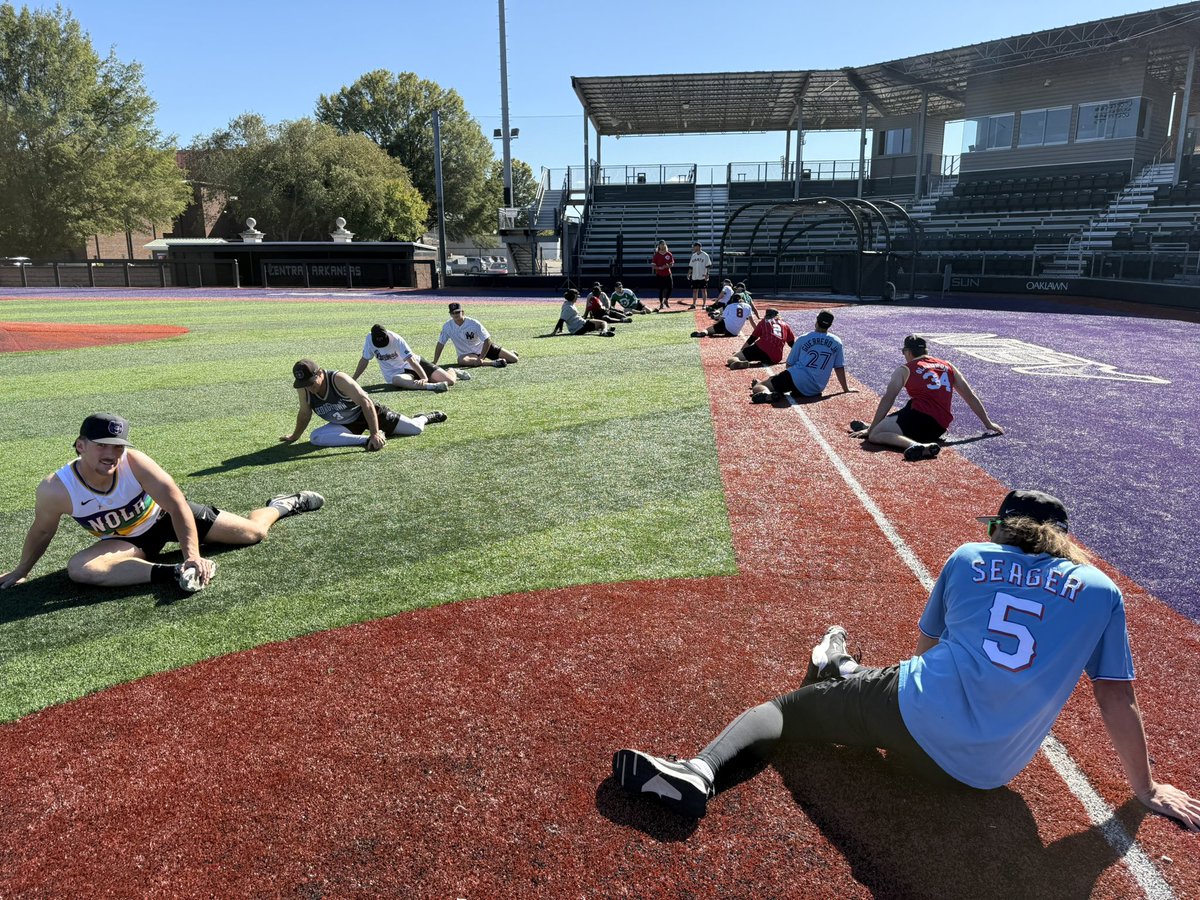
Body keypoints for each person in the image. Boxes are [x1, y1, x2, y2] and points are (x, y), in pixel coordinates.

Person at [612, 489, 1200, 831]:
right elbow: (1116, 696)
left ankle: (701, 769)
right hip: (987, 776)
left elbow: (921, 657)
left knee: (786, 710)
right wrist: (1145, 790)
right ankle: (836, 667)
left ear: (1003, 527)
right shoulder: (1101, 592)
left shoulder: (970, 556)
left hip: (911, 717)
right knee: (872, 687)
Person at [0, 413, 324, 595]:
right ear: (80, 446)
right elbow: (42, 532)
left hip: (163, 517)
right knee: (80, 569)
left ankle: (281, 505)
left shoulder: (136, 463)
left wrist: (193, 554)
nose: (111, 454)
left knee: (254, 534)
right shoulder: (56, 489)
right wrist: (21, 570)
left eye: (117, 446)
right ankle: (172, 573)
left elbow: (177, 505)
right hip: (124, 540)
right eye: (101, 446)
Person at [849, 334, 1003, 461]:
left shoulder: (905, 369)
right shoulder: (947, 365)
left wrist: (871, 430)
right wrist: (987, 423)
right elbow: (969, 396)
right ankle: (880, 426)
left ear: (908, 352)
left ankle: (916, 445)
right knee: (907, 408)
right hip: (939, 427)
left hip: (919, 420)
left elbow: (888, 399)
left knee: (876, 435)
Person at [283, 359, 446, 451]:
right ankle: (364, 440)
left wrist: (375, 431)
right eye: (304, 383)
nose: (309, 386)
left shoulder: (339, 379)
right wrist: (294, 436)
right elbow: (305, 413)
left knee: (414, 429)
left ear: (320, 373)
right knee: (316, 437)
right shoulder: (304, 389)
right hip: (345, 423)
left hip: (367, 413)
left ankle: (423, 417)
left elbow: (366, 402)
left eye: (311, 382)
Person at [750, 309, 856, 403]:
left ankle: (768, 394)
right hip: (815, 389)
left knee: (759, 387)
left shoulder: (803, 338)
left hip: (796, 378)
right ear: (830, 324)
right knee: (780, 382)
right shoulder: (837, 342)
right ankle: (776, 388)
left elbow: (789, 365)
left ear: (816, 322)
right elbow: (839, 367)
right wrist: (846, 389)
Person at [353, 324, 464, 393]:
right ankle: (432, 386)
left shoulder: (396, 339)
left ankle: (452, 370)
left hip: (415, 364)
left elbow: (411, 360)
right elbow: (364, 360)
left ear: (386, 335)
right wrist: (353, 379)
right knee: (396, 380)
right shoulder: (369, 339)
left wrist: (423, 377)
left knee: (450, 381)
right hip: (398, 373)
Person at [432, 302, 518, 370]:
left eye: (458, 312)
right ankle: (494, 363)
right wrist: (435, 361)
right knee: (461, 361)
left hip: (484, 348)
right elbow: (440, 344)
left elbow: (487, 340)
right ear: (450, 314)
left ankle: (510, 353)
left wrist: (481, 357)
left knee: (514, 359)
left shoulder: (473, 323)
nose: (455, 315)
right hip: (467, 354)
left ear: (463, 312)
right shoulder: (447, 326)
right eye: (453, 313)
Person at [727, 308, 796, 369]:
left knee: (732, 358)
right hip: (776, 358)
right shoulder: (786, 325)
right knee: (765, 356)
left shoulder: (764, 322)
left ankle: (738, 361)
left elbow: (752, 338)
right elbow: (792, 344)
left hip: (761, 348)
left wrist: (741, 351)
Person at [692, 289, 757, 339]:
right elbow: (752, 322)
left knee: (708, 330)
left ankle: (702, 333)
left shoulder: (729, 306)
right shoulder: (747, 306)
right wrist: (758, 331)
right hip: (735, 332)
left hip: (726, 326)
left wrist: (716, 323)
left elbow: (721, 318)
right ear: (740, 300)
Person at [687, 242, 712, 309]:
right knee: (695, 290)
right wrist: (689, 274)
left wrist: (707, 274)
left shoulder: (705, 255)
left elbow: (708, 266)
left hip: (702, 276)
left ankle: (704, 304)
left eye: (694, 247)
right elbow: (691, 266)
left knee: (703, 290)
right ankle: (694, 304)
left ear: (698, 247)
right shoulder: (693, 255)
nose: (694, 248)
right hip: (695, 276)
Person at [651, 241, 675, 310]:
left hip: (668, 274)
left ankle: (666, 300)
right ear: (659, 246)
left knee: (670, 288)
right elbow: (653, 265)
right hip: (660, 274)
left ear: (665, 245)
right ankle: (661, 303)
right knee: (661, 289)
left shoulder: (669, 254)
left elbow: (672, 263)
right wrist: (659, 268)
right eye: (661, 244)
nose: (662, 246)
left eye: (663, 244)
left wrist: (668, 266)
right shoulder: (657, 255)